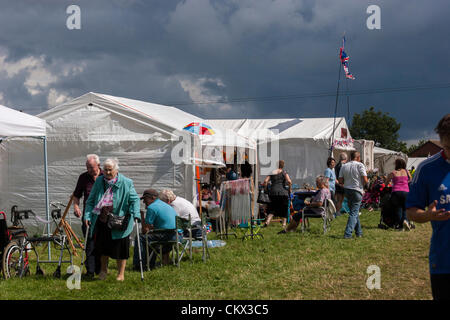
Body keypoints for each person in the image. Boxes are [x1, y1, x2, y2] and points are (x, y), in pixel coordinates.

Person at [406, 114, 450, 300]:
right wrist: (428, 215)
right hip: (444, 262)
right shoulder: (427, 169)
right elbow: (411, 211)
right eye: (448, 147)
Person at [84, 158, 140, 281]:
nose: (107, 173)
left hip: (120, 220)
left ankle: (121, 274)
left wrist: (136, 214)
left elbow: (134, 199)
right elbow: (91, 200)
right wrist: (87, 216)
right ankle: (103, 271)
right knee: (103, 247)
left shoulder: (126, 182)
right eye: (105, 170)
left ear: (116, 170)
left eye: (110, 170)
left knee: (121, 248)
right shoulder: (99, 181)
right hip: (103, 219)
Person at [72, 154, 102, 277]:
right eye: (87, 167)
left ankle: (100, 270)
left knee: (101, 243)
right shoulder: (83, 177)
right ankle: (90, 271)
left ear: (98, 166)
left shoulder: (105, 175)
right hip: (88, 215)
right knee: (89, 243)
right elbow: (76, 195)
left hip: (102, 215)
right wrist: (76, 206)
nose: (89, 170)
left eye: (91, 167)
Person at [133, 189, 178, 270]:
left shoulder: (152, 207)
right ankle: (150, 263)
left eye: (145, 199)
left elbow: (145, 230)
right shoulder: (167, 205)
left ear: (153, 198)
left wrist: (142, 216)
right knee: (150, 237)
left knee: (140, 238)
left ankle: (139, 265)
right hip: (174, 236)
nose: (143, 202)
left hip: (164, 236)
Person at [338, 151, 368, 239]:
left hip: (347, 190)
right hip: (357, 190)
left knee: (353, 212)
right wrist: (364, 185)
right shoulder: (360, 165)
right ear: (358, 158)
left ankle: (359, 232)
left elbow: (340, 180)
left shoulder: (344, 166)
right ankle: (348, 234)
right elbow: (365, 180)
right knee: (354, 213)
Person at [262, 160, 292, 228]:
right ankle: (284, 224)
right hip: (283, 193)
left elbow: (265, 181)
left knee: (272, 208)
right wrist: (289, 189)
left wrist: (266, 189)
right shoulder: (284, 173)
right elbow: (289, 181)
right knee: (284, 209)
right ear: (283, 166)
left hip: (273, 192)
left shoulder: (272, 172)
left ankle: (267, 221)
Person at [386, 158, 412, 230]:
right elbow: (410, 179)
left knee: (398, 208)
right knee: (405, 208)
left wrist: (391, 183)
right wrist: (405, 182)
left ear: (396, 164)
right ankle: (406, 221)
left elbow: (386, 182)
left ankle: (400, 226)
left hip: (396, 192)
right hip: (406, 191)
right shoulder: (407, 172)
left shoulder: (393, 173)